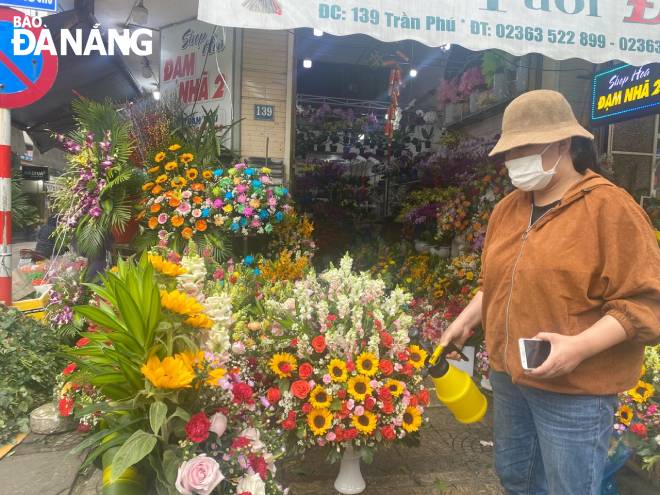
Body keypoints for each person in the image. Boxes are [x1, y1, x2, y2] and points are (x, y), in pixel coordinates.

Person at [439, 90, 660, 494]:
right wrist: (466, 319)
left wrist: (579, 348)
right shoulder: (509, 208)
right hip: (510, 377)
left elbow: (645, 303)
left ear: (564, 144)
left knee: (568, 487)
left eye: (525, 147)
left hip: (576, 390)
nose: (513, 160)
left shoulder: (611, 209)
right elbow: (498, 280)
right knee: (514, 476)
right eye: (509, 151)